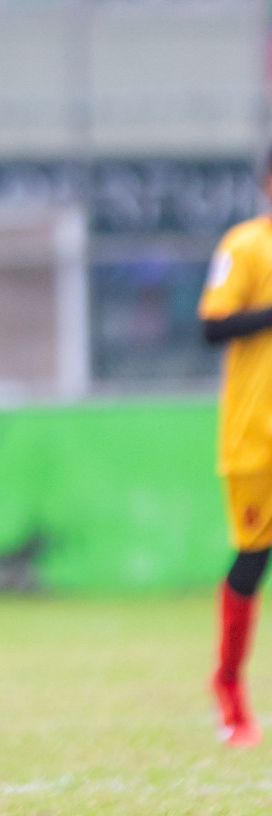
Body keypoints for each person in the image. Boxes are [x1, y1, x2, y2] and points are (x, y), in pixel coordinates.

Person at [200, 150, 272, 748]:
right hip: (255, 438)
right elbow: (212, 326)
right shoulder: (246, 246)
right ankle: (228, 685)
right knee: (253, 559)